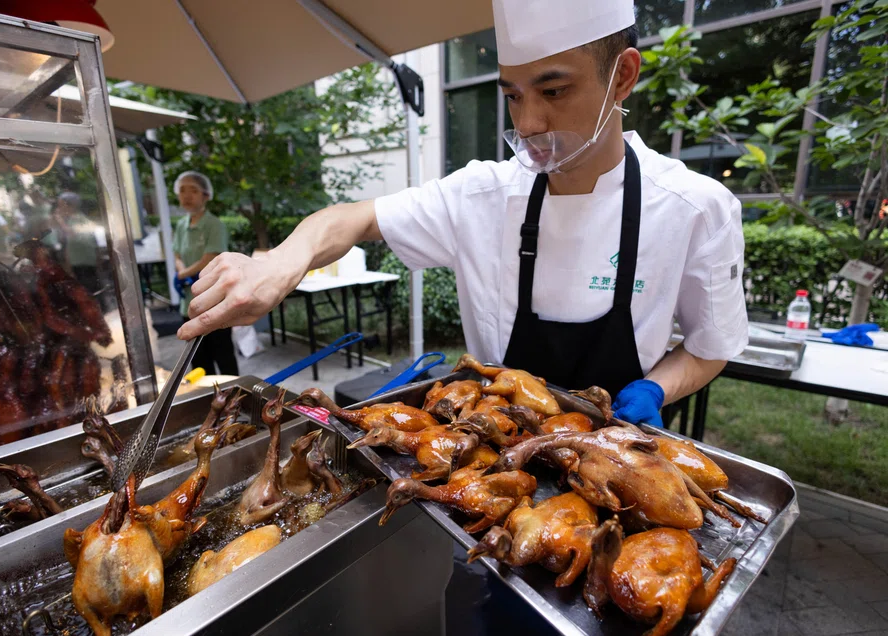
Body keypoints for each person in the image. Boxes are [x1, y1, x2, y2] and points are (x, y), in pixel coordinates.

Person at [177, 0, 748, 427]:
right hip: (489, 456)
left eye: (552, 92)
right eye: (513, 94)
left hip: (619, 453)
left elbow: (708, 346)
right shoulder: (484, 194)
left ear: (622, 75)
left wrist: (655, 389)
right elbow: (353, 219)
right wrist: (283, 260)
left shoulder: (695, 208)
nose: (526, 124)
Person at [172, 171, 239, 376]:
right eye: (182, 190)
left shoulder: (214, 225)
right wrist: (181, 270)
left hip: (214, 300)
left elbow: (210, 257)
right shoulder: (181, 225)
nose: (187, 196)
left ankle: (235, 397)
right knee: (198, 357)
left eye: (193, 190)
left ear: (206, 195)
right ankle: (205, 400)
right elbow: (176, 252)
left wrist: (183, 274)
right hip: (189, 301)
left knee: (223, 352)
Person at [52, 191, 105, 293]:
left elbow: (73, 234)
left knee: (90, 291)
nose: (59, 209)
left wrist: (60, 220)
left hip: (84, 262)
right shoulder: (72, 219)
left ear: (70, 206)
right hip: (79, 262)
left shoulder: (78, 218)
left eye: (61, 205)